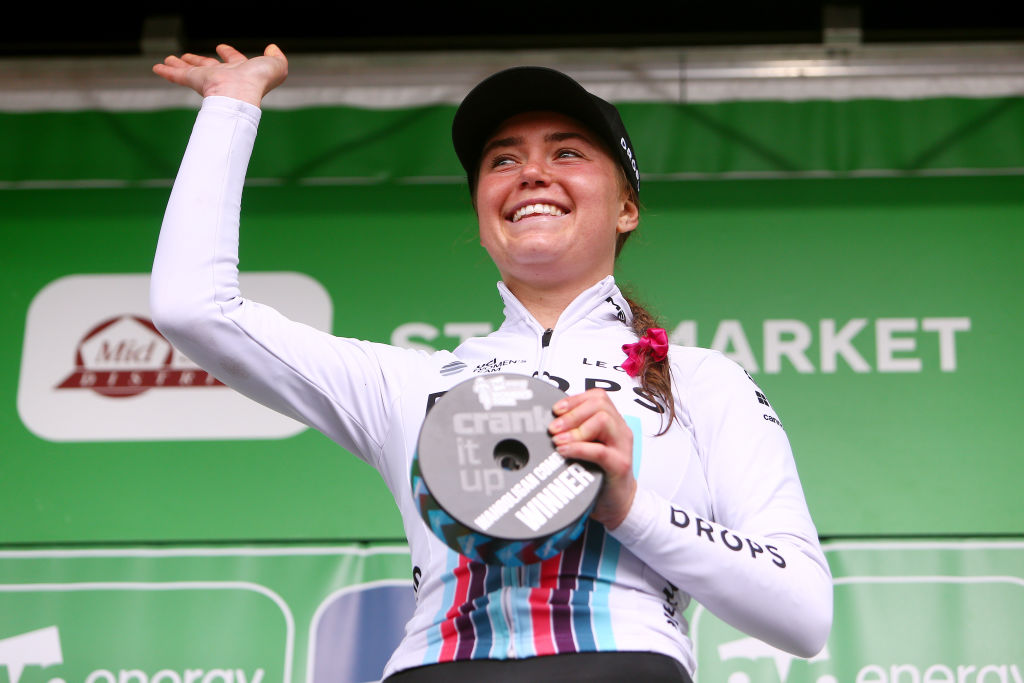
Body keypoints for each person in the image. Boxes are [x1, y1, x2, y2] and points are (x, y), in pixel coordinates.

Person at [151, 44, 832, 683]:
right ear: (482, 209)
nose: (532, 172)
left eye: (568, 152)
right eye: (502, 160)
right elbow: (194, 309)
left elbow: (802, 613)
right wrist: (231, 105)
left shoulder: (702, 381)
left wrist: (627, 505)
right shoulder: (408, 385)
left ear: (627, 208)